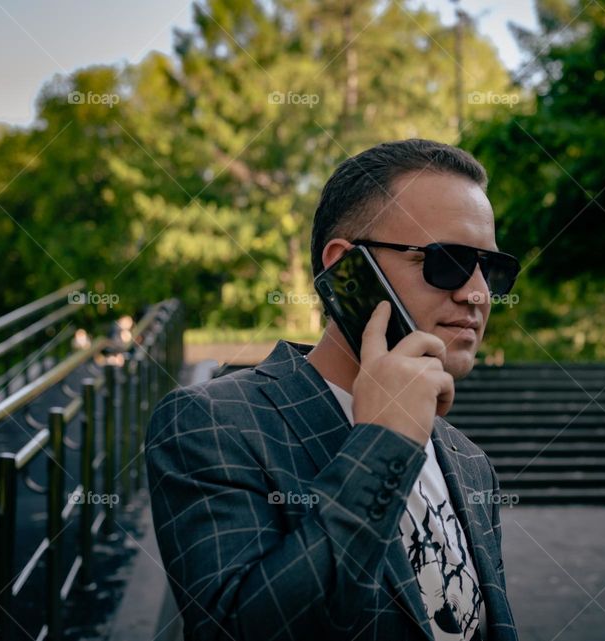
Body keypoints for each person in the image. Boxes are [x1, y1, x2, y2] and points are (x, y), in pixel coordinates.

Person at [146, 139, 520, 641]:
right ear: (346, 267)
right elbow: (240, 630)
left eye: (490, 269)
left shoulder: (470, 461)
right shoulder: (215, 424)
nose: (476, 292)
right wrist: (384, 446)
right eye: (447, 261)